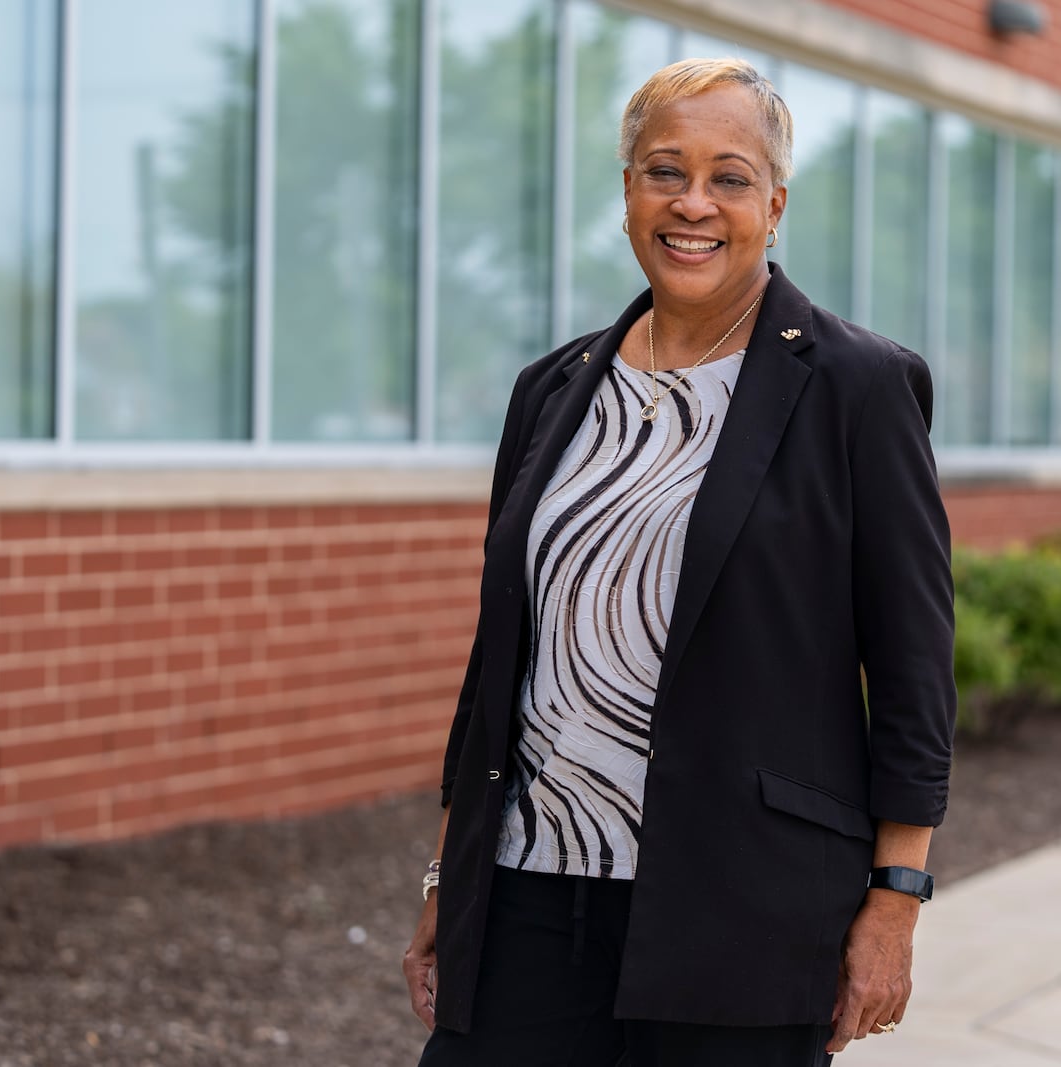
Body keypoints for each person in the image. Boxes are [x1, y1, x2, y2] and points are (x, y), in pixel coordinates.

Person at [403, 57, 955, 1067]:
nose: (693, 203)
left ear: (774, 205)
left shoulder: (856, 389)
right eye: (664, 171)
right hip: (528, 896)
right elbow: (500, 664)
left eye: (730, 177)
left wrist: (895, 900)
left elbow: (915, 672)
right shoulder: (551, 389)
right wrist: (449, 875)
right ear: (626, 193)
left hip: (741, 911)